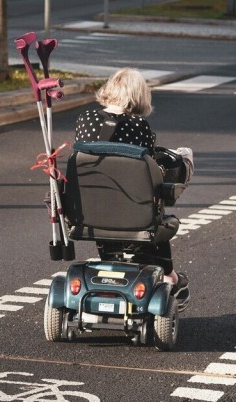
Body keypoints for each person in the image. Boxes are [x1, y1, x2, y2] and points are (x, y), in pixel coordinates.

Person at [73, 68, 193, 289]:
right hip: (133, 211)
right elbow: (148, 168)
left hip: (92, 208)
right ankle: (169, 276)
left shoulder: (85, 119)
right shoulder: (139, 126)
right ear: (139, 96)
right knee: (158, 217)